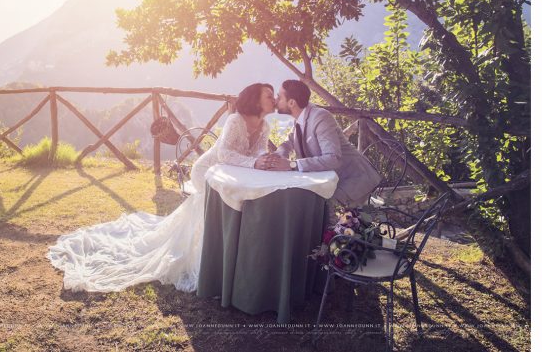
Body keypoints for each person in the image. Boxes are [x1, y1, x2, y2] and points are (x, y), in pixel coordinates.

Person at [48, 83, 276, 293]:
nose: (274, 99)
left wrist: (265, 160)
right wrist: (254, 163)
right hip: (206, 171)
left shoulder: (264, 124)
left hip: (230, 173)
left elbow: (258, 152)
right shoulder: (235, 120)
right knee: (215, 206)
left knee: (229, 202)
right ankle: (209, 259)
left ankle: (225, 256)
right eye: (269, 95)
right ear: (254, 99)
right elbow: (225, 154)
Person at [256, 79, 382, 224]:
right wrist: (276, 158)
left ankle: (326, 244)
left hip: (353, 179)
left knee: (318, 208)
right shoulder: (300, 118)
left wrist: (291, 165)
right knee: (304, 201)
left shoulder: (321, 117)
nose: (276, 100)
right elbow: (288, 143)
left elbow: (333, 158)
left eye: (279, 96)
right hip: (333, 180)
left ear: (292, 102)